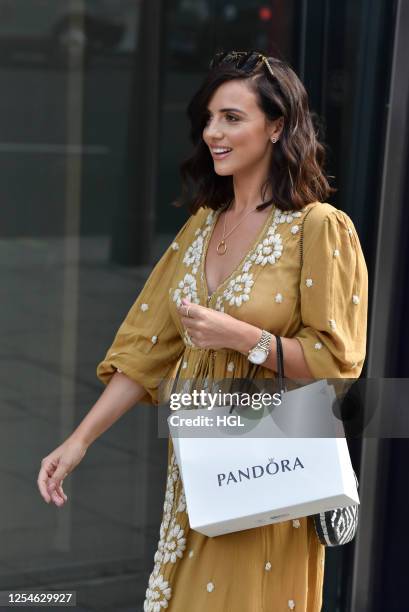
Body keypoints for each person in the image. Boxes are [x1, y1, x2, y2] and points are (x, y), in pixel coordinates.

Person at [37, 50, 368, 611]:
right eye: (210, 118)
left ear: (278, 125)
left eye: (232, 118)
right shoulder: (200, 228)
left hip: (270, 470)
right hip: (199, 467)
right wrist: (78, 442)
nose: (214, 132)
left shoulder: (317, 228)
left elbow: (337, 361)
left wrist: (242, 337)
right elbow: (148, 350)